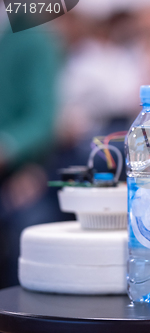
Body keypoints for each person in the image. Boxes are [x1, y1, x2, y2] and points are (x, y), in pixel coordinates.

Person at [0, 17, 61, 287]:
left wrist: (8, 147)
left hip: (22, 166)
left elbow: (42, 120)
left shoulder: (32, 39)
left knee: (27, 226)